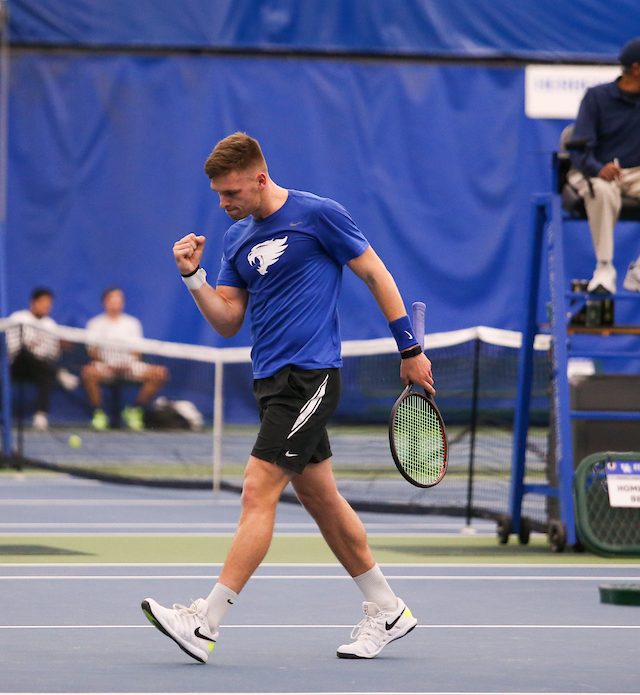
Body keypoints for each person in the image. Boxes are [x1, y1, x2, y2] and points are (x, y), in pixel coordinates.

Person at [142, 132, 433, 663]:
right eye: (218, 196)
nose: (224, 204)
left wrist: (409, 348)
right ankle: (387, 609)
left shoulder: (319, 215)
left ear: (259, 176)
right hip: (270, 381)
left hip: (311, 376)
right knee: (321, 499)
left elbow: (375, 272)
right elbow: (229, 319)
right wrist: (192, 277)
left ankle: (204, 622)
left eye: (231, 192)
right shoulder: (235, 239)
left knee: (258, 489)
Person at [566, 37, 640, 294]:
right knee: (601, 190)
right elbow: (578, 150)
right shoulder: (596, 98)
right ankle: (604, 268)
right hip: (600, 171)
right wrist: (598, 168)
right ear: (636, 68)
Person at [81, 287, 168, 431]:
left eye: (119, 299)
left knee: (159, 373)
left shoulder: (132, 323)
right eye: (112, 298)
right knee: (88, 373)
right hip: (105, 367)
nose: (116, 302)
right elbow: (92, 352)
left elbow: (137, 352)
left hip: (129, 366)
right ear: (105, 302)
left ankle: (134, 410)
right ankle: (98, 413)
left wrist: (126, 363)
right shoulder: (94, 324)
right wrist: (108, 363)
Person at [6, 287, 80, 430]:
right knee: (24, 353)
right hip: (17, 366)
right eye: (44, 303)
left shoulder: (50, 325)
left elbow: (52, 354)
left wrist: (58, 347)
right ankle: (58, 372)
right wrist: (33, 347)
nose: (47, 307)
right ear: (33, 302)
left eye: (49, 304)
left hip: (40, 369)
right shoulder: (18, 318)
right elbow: (12, 348)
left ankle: (40, 416)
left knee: (46, 374)